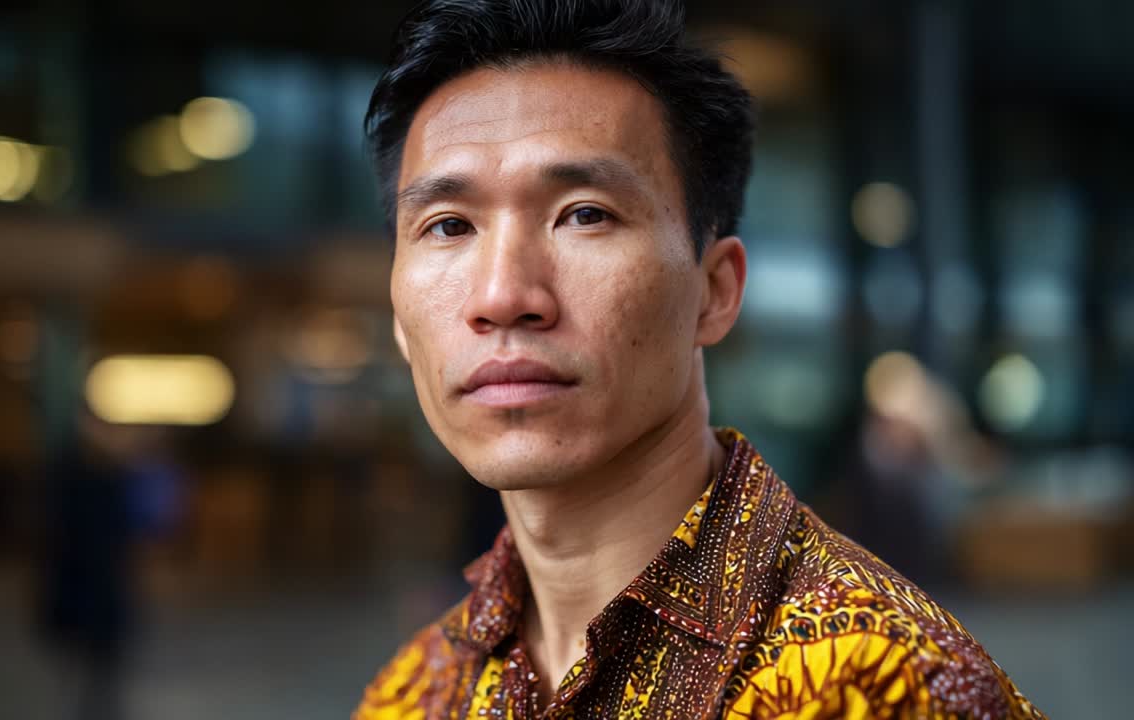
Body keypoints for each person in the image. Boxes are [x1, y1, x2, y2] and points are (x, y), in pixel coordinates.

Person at [354, 1, 1044, 718]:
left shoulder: (884, 681)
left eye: (585, 213)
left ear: (715, 292)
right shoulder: (415, 691)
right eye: (448, 225)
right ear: (401, 319)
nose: (502, 295)